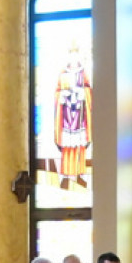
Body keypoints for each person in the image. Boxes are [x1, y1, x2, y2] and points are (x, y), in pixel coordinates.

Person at [54, 45, 92, 180]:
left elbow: (88, 89)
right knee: (68, 143)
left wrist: (83, 93)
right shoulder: (63, 72)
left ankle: (80, 170)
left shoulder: (83, 73)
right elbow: (57, 91)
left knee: (79, 142)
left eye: (76, 54)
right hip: (67, 113)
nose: (74, 57)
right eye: (71, 54)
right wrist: (62, 95)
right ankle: (68, 171)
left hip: (79, 112)